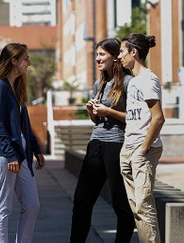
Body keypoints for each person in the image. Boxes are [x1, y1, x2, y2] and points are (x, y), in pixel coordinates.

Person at [70, 38, 135, 243]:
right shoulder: (99, 83)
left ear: (114, 57)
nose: (97, 59)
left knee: (120, 203)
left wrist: (109, 111)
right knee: (82, 200)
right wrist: (93, 112)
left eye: (102, 55)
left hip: (116, 145)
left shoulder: (128, 82)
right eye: (96, 55)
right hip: (96, 143)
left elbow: (134, 117)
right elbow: (97, 120)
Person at [0, 43, 46, 243]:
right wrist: (10, 154)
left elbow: (23, 127)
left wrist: (36, 150)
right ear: (14, 61)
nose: (29, 62)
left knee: (32, 204)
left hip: (21, 156)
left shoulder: (16, 88)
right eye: (25, 58)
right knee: (3, 207)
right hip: (4, 156)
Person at [117, 33, 165, 243]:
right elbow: (136, 117)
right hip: (129, 149)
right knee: (137, 208)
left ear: (133, 53)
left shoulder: (148, 79)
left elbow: (158, 118)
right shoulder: (134, 81)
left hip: (142, 150)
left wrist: (143, 149)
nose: (119, 57)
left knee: (144, 206)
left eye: (121, 52)